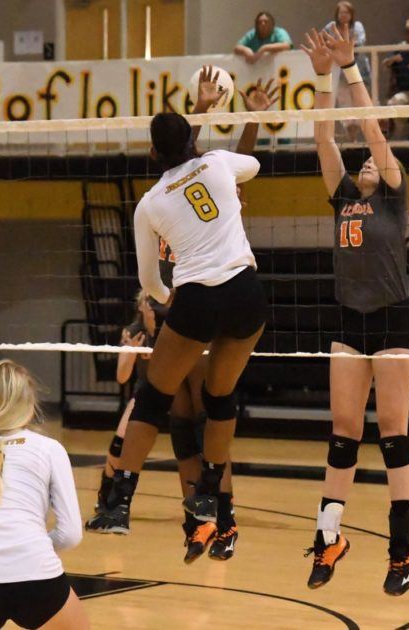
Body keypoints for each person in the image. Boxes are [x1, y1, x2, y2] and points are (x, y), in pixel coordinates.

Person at [90, 69, 275, 549]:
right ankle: (210, 502)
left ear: (152, 154)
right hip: (245, 293)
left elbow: (149, 281)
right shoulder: (216, 166)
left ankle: (118, 504)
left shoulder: (150, 204)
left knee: (155, 400)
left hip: (194, 302)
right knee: (217, 402)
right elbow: (246, 161)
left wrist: (174, 303)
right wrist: (240, 114)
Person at [301, 25, 409, 596]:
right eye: (363, 165)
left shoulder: (394, 191)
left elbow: (371, 132)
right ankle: (329, 539)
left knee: (392, 435)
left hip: (393, 318)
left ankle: (403, 551)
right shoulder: (344, 197)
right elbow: (324, 140)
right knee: (343, 435)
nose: (365, 165)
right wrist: (320, 75)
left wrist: (351, 69)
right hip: (350, 320)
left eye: (371, 163)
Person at [85, 286, 238, 563]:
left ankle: (225, 523)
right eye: (148, 301)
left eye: (153, 301)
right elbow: (121, 376)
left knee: (206, 434)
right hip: (154, 388)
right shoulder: (136, 330)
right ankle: (192, 523)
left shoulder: (189, 302)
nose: (150, 306)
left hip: (193, 354)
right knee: (172, 439)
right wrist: (131, 350)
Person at [0, 360, 88, 630]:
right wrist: (31, 544)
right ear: (29, 403)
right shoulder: (48, 448)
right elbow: (70, 534)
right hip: (35, 576)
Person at [323, 2, 370, 138]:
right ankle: (352, 139)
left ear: (351, 14)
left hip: (358, 70)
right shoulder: (330, 27)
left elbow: (359, 41)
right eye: (341, 12)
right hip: (339, 72)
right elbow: (322, 40)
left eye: (346, 12)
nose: (344, 15)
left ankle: (365, 139)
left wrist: (341, 46)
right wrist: (336, 46)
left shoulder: (357, 26)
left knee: (359, 103)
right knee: (345, 105)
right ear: (337, 14)